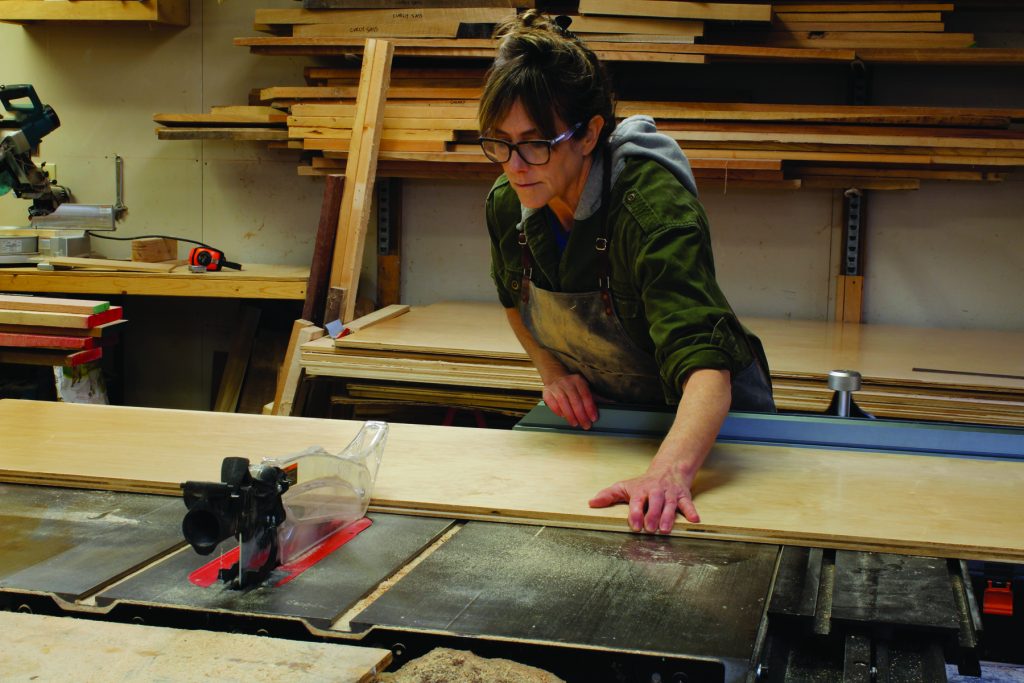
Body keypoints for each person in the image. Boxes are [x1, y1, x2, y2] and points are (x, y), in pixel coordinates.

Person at [477, 11, 776, 534]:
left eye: (536, 143)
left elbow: (706, 365)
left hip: (713, 434)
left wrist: (668, 472)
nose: (514, 165)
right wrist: (552, 371)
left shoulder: (652, 210)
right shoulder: (510, 202)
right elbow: (511, 298)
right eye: (499, 142)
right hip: (619, 427)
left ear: (589, 134)